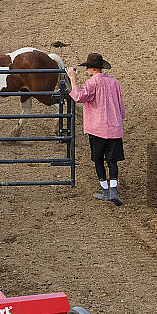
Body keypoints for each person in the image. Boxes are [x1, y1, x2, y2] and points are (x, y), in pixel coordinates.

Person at [66, 53, 125, 206]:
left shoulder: (92, 83)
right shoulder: (114, 82)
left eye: (87, 68)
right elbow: (121, 106)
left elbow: (79, 97)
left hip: (97, 128)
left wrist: (72, 78)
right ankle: (114, 191)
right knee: (112, 161)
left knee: (98, 160)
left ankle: (105, 191)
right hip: (114, 128)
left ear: (92, 68)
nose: (86, 70)